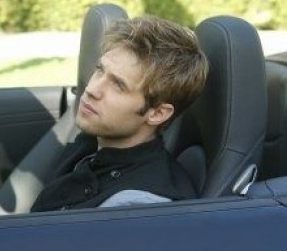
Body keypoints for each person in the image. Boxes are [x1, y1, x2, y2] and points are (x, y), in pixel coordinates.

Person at [30, 16, 209, 212]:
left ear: (157, 113)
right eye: (100, 70)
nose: (91, 89)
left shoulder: (136, 206)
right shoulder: (92, 143)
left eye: (118, 85)